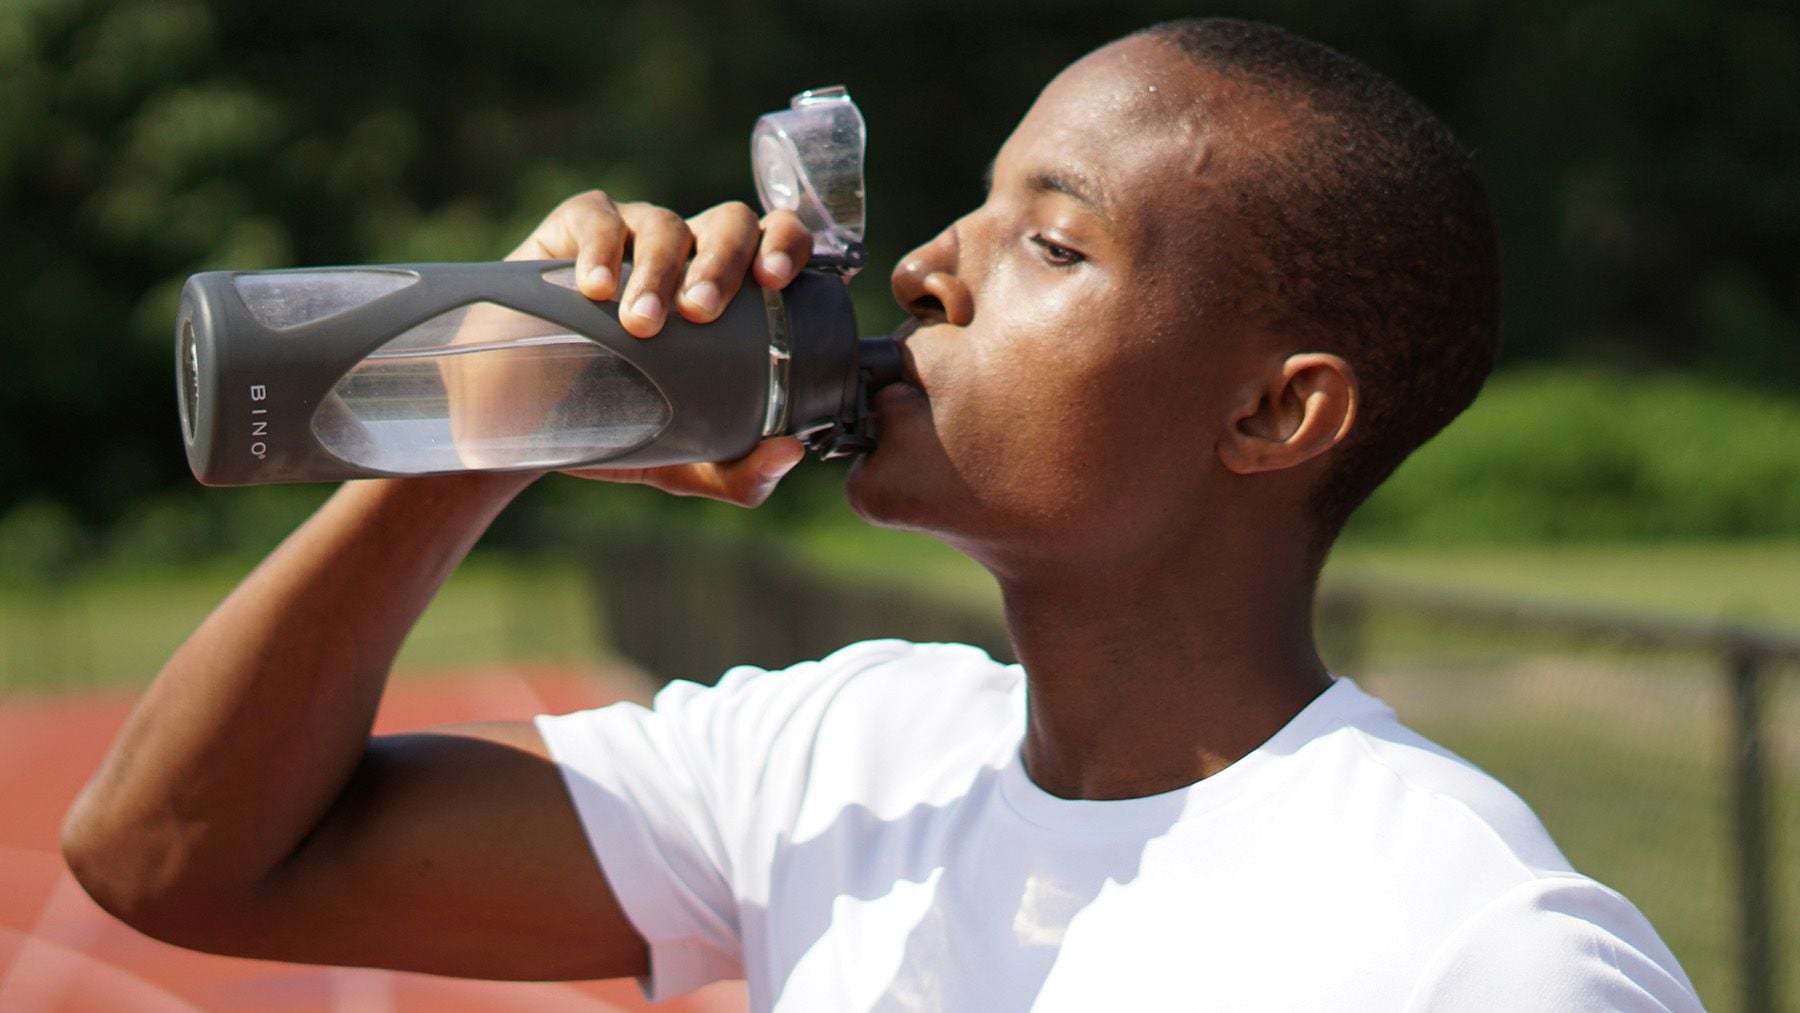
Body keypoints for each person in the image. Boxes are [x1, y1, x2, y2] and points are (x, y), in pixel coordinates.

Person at [64, 17, 1702, 1011]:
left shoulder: (1474, 939)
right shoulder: (846, 760)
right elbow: (174, 854)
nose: (923, 266)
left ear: (1277, 412)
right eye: (973, 208)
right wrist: (505, 400)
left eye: (1051, 244)